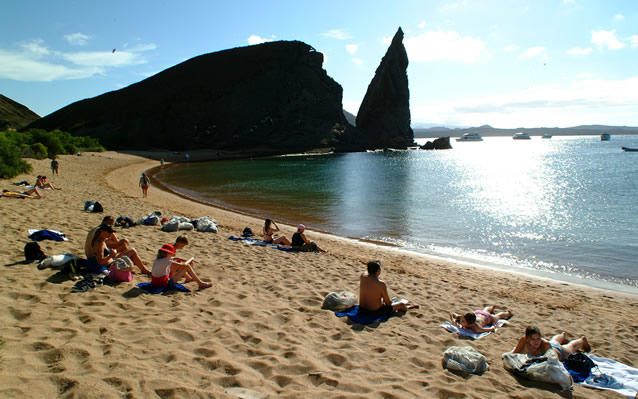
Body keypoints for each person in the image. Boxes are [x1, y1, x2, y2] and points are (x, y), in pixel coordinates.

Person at [512, 325, 591, 360]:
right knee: (554, 340)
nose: (536, 342)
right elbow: (513, 353)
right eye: (533, 339)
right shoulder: (523, 340)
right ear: (527, 339)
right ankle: (563, 335)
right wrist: (525, 351)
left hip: (559, 352)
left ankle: (582, 340)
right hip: (552, 344)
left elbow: (552, 362)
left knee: (571, 347)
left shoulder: (545, 344)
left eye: (538, 339)